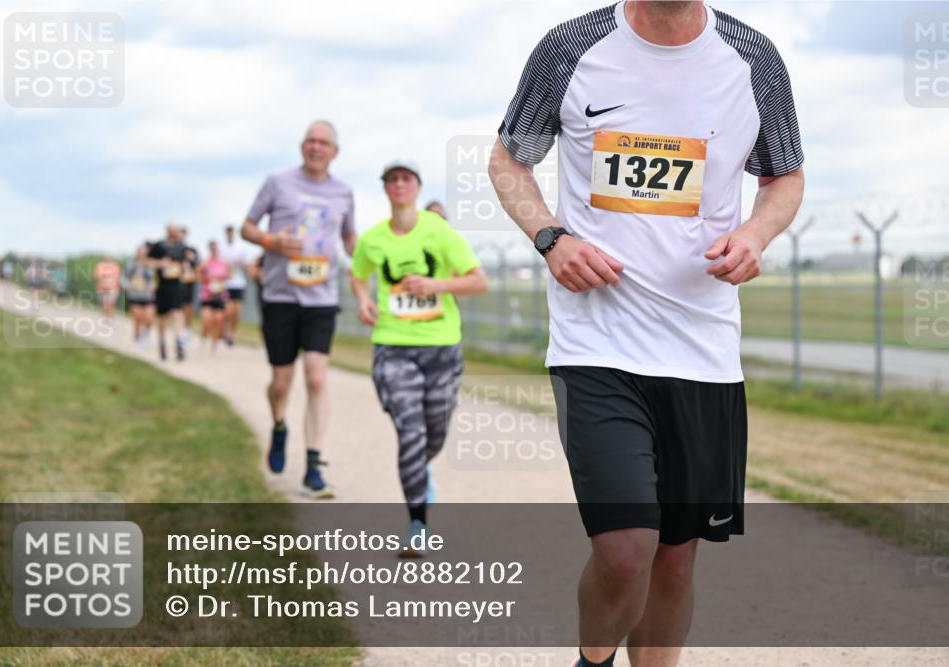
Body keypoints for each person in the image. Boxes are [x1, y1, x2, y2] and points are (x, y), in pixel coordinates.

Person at [489, 1, 805, 665]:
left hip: (704, 352)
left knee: (674, 563)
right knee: (626, 549)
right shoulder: (571, 47)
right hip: (596, 345)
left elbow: (785, 177)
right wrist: (551, 237)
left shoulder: (755, 59)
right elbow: (507, 162)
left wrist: (755, 232)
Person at [350, 160, 487, 555]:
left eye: (405, 179)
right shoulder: (372, 239)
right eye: (390, 179)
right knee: (411, 432)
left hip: (442, 347)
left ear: (416, 186)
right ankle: (417, 523)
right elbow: (357, 275)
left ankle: (418, 472)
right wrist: (362, 300)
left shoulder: (440, 233)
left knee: (433, 433)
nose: (398, 185)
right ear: (385, 189)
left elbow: (478, 280)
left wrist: (434, 284)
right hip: (392, 346)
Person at [241, 120, 357, 498]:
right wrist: (272, 240)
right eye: (310, 140)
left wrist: (372, 258)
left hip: (322, 297)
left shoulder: (344, 192)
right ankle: (278, 426)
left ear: (335, 152)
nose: (316, 146)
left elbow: (349, 237)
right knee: (281, 382)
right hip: (279, 295)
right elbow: (247, 227)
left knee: (317, 377)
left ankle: (313, 464)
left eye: (324, 142)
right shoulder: (277, 182)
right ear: (301, 147)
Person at [148, 223, 189, 362]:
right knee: (162, 318)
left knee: (177, 314)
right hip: (162, 286)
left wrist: (185, 270)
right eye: (172, 230)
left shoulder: (181, 247)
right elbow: (147, 261)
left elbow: (185, 264)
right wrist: (160, 263)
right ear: (167, 231)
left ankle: (179, 344)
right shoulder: (159, 246)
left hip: (176, 285)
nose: (174, 232)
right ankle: (162, 345)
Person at [197, 240, 232, 352]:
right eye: (212, 248)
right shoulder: (205, 262)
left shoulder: (224, 262)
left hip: (220, 294)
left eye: (215, 248)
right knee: (207, 319)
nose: (214, 250)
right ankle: (204, 336)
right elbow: (198, 276)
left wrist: (221, 279)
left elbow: (229, 274)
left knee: (218, 320)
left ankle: (214, 343)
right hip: (207, 294)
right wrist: (207, 278)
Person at [219, 224, 249, 346]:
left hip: (239, 283)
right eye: (228, 232)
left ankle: (232, 333)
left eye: (232, 232)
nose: (230, 235)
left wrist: (241, 264)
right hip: (226, 284)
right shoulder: (221, 248)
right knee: (228, 311)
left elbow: (245, 265)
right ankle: (225, 331)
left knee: (236, 311)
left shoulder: (240, 248)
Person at [124, 243, 156, 345]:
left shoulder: (152, 265)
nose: (142, 254)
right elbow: (124, 278)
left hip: (148, 296)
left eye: (145, 252)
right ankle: (137, 338)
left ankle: (146, 335)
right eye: (141, 252)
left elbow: (157, 279)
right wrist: (127, 285)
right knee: (138, 317)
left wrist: (154, 286)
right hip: (135, 295)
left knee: (149, 318)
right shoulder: (131, 264)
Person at [178, 227, 199, 343]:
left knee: (188, 307)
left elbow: (197, 266)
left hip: (189, 283)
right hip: (178, 283)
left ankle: (188, 329)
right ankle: (181, 330)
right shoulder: (175, 250)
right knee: (178, 308)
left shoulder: (192, 250)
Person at [93, 255, 121, 320]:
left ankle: (110, 316)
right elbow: (97, 276)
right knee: (104, 304)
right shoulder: (100, 266)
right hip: (102, 289)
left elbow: (117, 277)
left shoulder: (116, 266)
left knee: (111, 303)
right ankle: (106, 316)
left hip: (113, 289)